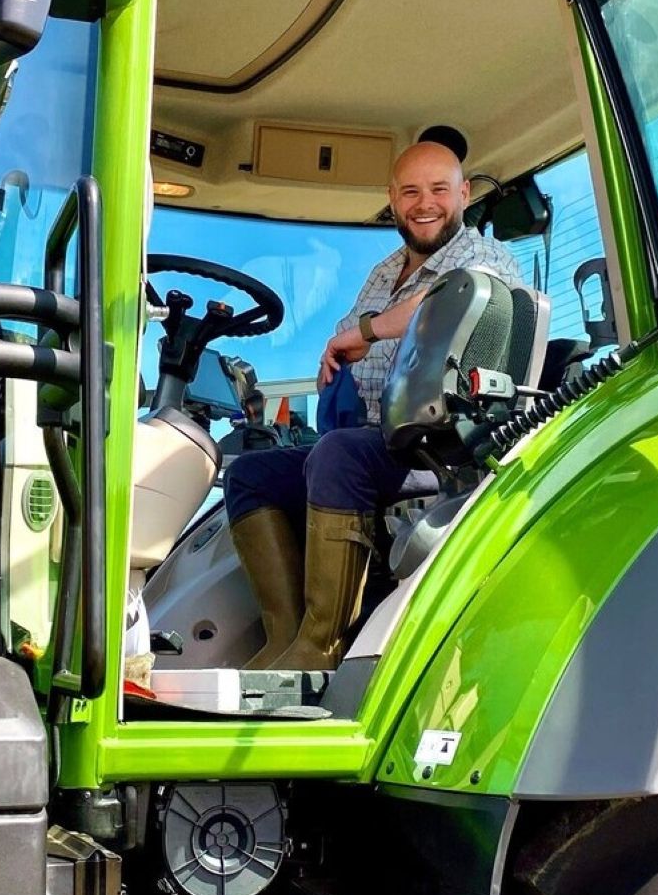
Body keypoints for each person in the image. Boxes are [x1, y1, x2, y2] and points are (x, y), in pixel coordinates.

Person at [222, 142, 523, 670]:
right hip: (376, 439)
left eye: (438, 190)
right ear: (392, 198)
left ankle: (320, 649)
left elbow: (446, 305)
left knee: (340, 455)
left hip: (444, 449)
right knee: (251, 474)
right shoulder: (386, 271)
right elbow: (348, 335)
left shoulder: (486, 257)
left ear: (464, 194)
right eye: (410, 191)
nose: (423, 203)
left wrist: (366, 332)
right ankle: (284, 643)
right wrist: (333, 359)